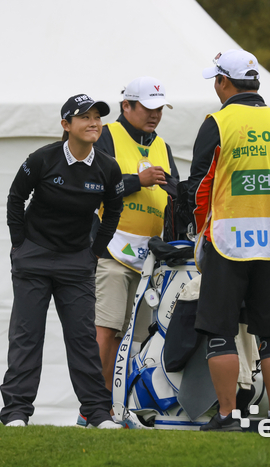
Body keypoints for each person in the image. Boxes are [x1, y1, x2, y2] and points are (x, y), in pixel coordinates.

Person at [187, 49, 270, 431]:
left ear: (224, 82)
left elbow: (200, 187)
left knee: (220, 330)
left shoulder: (218, 121)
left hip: (227, 240)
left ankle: (227, 414)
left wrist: (200, 229)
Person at [0, 94, 125, 428]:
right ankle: (16, 412)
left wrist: (95, 251)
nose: (93, 122)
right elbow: (16, 198)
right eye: (84, 117)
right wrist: (19, 245)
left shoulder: (107, 167)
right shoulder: (42, 159)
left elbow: (113, 209)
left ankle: (97, 413)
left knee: (83, 339)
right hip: (34, 258)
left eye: (97, 117)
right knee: (27, 337)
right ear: (66, 125)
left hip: (76, 262)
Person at [92, 76, 179, 395]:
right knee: (106, 331)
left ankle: (120, 402)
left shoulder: (162, 146)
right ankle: (93, 406)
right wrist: (136, 181)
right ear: (126, 105)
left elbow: (174, 202)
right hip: (113, 251)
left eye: (160, 108)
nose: (155, 114)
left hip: (150, 258)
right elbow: (93, 186)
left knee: (135, 337)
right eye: (148, 107)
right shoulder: (105, 136)